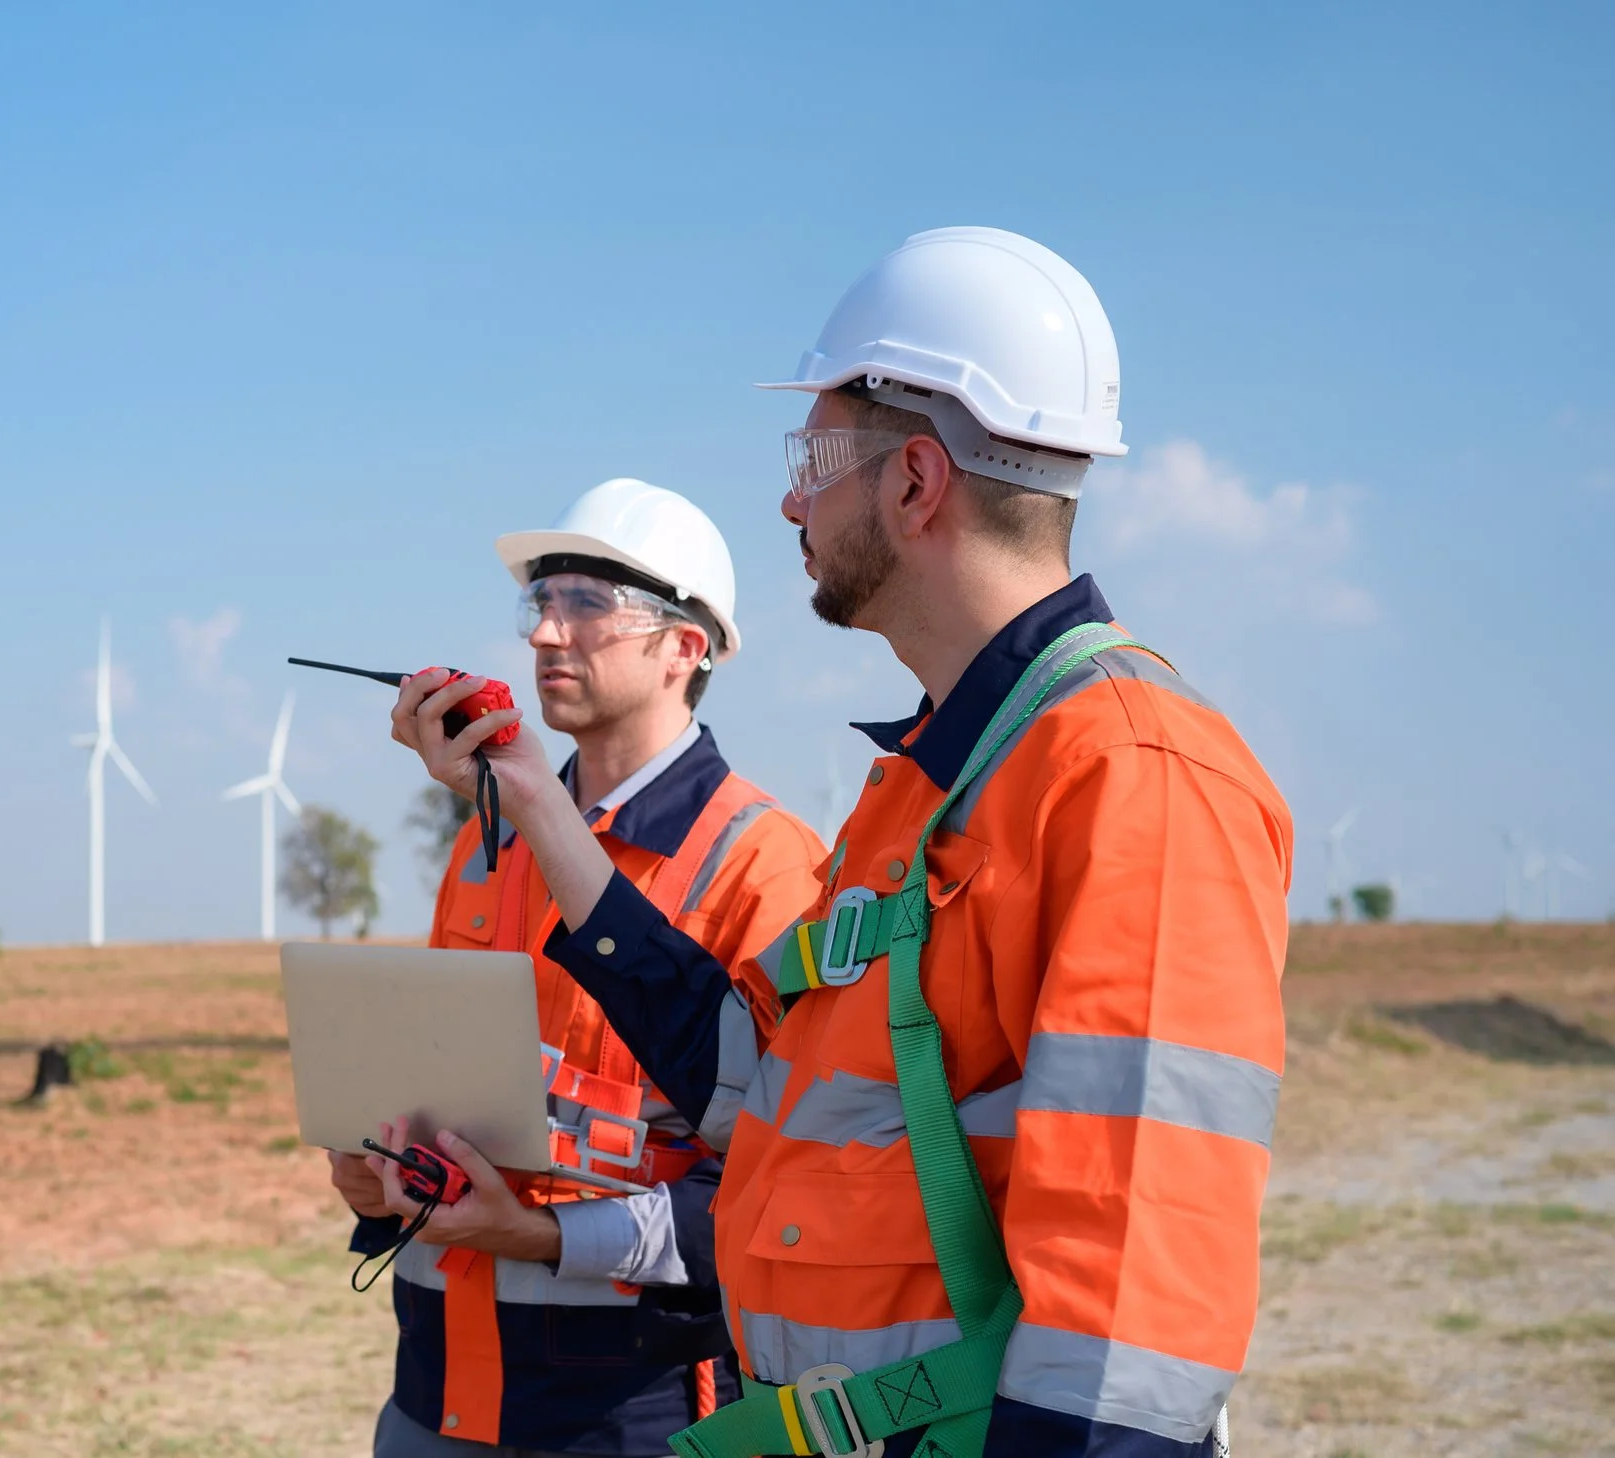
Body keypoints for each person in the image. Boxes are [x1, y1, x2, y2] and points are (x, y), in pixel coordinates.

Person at [390, 229, 1290, 1458]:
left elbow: (1133, 1313)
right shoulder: (931, 785)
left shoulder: (1128, 775)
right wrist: (530, 802)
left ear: (916, 483)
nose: (788, 499)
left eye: (812, 458)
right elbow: (742, 1067)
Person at [330, 477, 829, 1458]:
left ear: (687, 646)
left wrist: (545, 1238)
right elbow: (455, 1101)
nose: (545, 635)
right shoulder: (486, 843)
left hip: (631, 1414)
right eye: (541, 604)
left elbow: (781, 1190)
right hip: (435, 1397)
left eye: (587, 605)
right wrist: (375, 1170)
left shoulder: (766, 865)